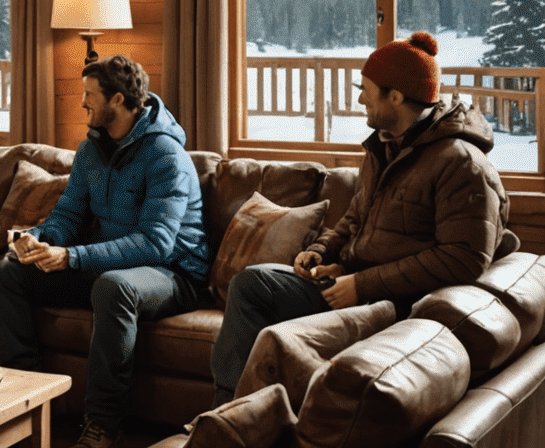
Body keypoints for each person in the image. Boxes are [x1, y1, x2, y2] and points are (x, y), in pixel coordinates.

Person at [211, 31, 510, 404]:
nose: (359, 98)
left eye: (366, 88)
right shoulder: (384, 147)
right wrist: (321, 251)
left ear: (396, 96)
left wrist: (363, 284)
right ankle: (231, 410)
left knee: (274, 327)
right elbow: (354, 219)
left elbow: (463, 259)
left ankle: (240, 419)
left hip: (390, 306)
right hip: (349, 287)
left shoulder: (461, 163)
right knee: (252, 284)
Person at [0, 55, 209, 448]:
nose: (83, 104)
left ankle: (104, 427)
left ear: (119, 99)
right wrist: (35, 239)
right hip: (109, 266)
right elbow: (69, 215)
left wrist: (72, 257)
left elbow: (156, 242)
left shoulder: (166, 155)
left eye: (90, 95)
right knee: (8, 274)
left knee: (114, 286)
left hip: (173, 273)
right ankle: (26, 403)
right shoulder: (91, 148)